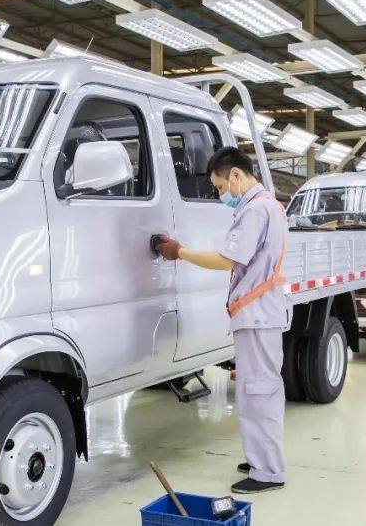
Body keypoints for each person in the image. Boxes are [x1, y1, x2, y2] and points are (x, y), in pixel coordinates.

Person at [154, 147, 288, 495]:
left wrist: (179, 252)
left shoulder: (256, 211)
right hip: (258, 315)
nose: (219, 194)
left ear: (236, 176)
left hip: (258, 316)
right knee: (255, 390)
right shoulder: (263, 206)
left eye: (219, 187)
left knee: (259, 393)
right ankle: (260, 457)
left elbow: (228, 259)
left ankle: (268, 471)